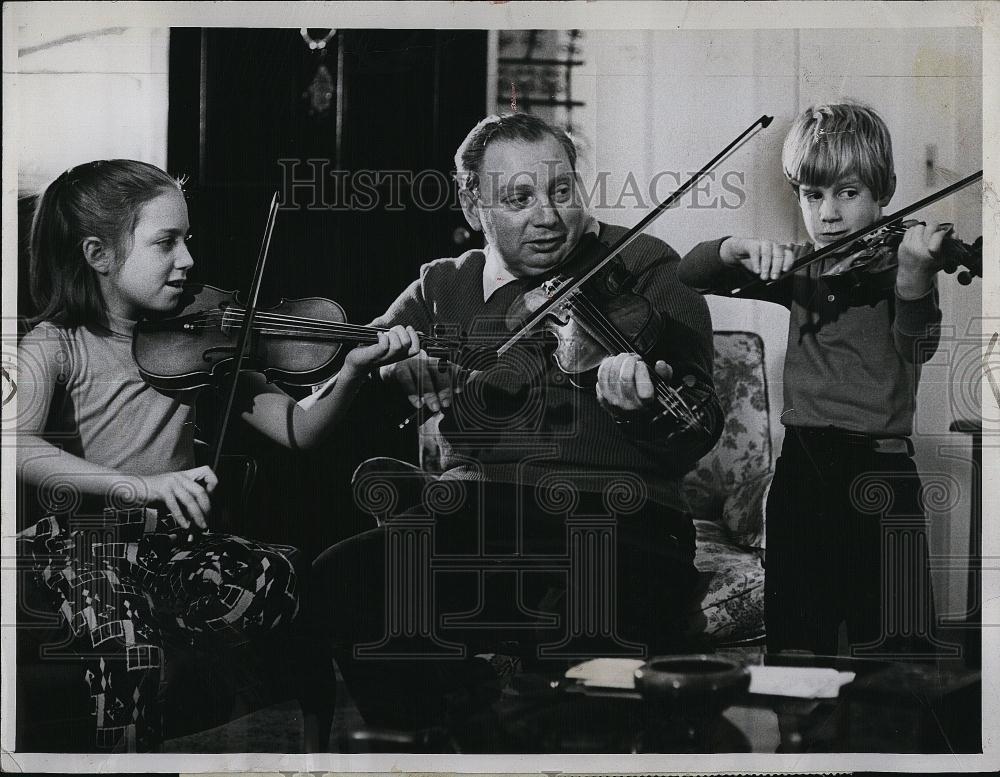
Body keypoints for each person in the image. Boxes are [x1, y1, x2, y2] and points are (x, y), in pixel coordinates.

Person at [307, 113, 724, 733]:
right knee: (341, 579)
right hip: (485, 523)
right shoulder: (442, 286)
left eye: (562, 191)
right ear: (473, 208)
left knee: (588, 645)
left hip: (622, 524)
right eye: (519, 198)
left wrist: (642, 407)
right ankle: (442, 734)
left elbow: (701, 421)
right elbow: (359, 365)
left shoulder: (642, 265)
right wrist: (399, 373)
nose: (549, 217)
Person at [15, 159, 420, 751]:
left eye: (188, 239)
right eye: (166, 242)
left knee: (282, 576)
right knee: (128, 650)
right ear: (98, 255)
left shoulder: (202, 341)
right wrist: (143, 486)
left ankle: (309, 750)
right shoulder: (55, 344)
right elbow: (14, 444)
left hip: (165, 548)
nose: (188, 259)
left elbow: (299, 428)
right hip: (82, 541)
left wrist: (354, 369)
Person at [678, 102, 952, 659]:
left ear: (886, 190)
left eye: (846, 193)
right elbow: (691, 273)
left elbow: (916, 347)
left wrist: (914, 282)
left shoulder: (904, 265)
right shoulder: (805, 270)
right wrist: (734, 248)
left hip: (881, 471)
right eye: (811, 194)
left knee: (897, 646)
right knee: (797, 642)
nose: (827, 214)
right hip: (803, 472)